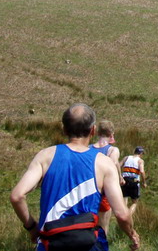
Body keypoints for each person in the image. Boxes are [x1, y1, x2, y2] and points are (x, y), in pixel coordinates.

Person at [10, 103, 139, 251]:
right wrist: (131, 233)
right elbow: (122, 214)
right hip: (87, 244)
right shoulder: (104, 164)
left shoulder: (45, 156)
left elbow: (17, 196)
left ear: (64, 129)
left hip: (50, 243)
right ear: (93, 130)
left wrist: (32, 228)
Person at [90, 120, 121, 235]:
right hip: (103, 194)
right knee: (103, 228)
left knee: (86, 226)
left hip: (87, 192)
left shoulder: (88, 148)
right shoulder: (112, 150)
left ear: (97, 132)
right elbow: (112, 165)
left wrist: (120, 175)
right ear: (111, 133)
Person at [120, 146, 147, 216]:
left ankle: (123, 215)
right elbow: (142, 171)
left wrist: (120, 176)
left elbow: (118, 165)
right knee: (134, 202)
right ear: (141, 153)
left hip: (125, 180)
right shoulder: (140, 161)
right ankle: (128, 215)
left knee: (124, 198)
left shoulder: (126, 158)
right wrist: (144, 182)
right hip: (134, 181)